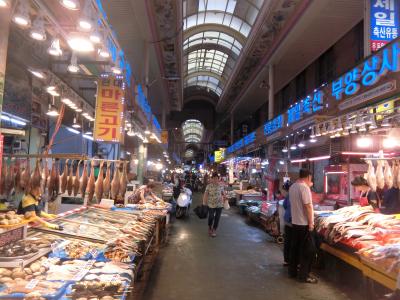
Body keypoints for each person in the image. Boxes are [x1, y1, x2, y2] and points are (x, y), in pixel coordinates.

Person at [288, 169, 317, 283]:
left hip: (295, 223)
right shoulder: (304, 188)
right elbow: (308, 206)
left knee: (295, 249)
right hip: (304, 224)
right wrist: (311, 223)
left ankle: (292, 272)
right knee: (307, 251)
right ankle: (304, 276)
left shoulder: (293, 186)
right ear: (309, 177)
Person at [203, 172, 225, 237]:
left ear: (218, 179)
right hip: (211, 204)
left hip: (219, 205)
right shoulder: (208, 186)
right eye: (214, 178)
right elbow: (205, 194)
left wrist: (225, 197)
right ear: (211, 179)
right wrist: (204, 202)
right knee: (211, 216)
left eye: (216, 178)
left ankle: (214, 229)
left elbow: (223, 193)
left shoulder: (221, 186)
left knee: (217, 218)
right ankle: (210, 226)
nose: (215, 180)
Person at [282, 184, 292, 266]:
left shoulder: (289, 195)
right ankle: (293, 261)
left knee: (287, 241)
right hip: (293, 221)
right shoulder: (296, 194)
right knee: (293, 241)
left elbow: (284, 205)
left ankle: (286, 260)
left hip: (287, 219)